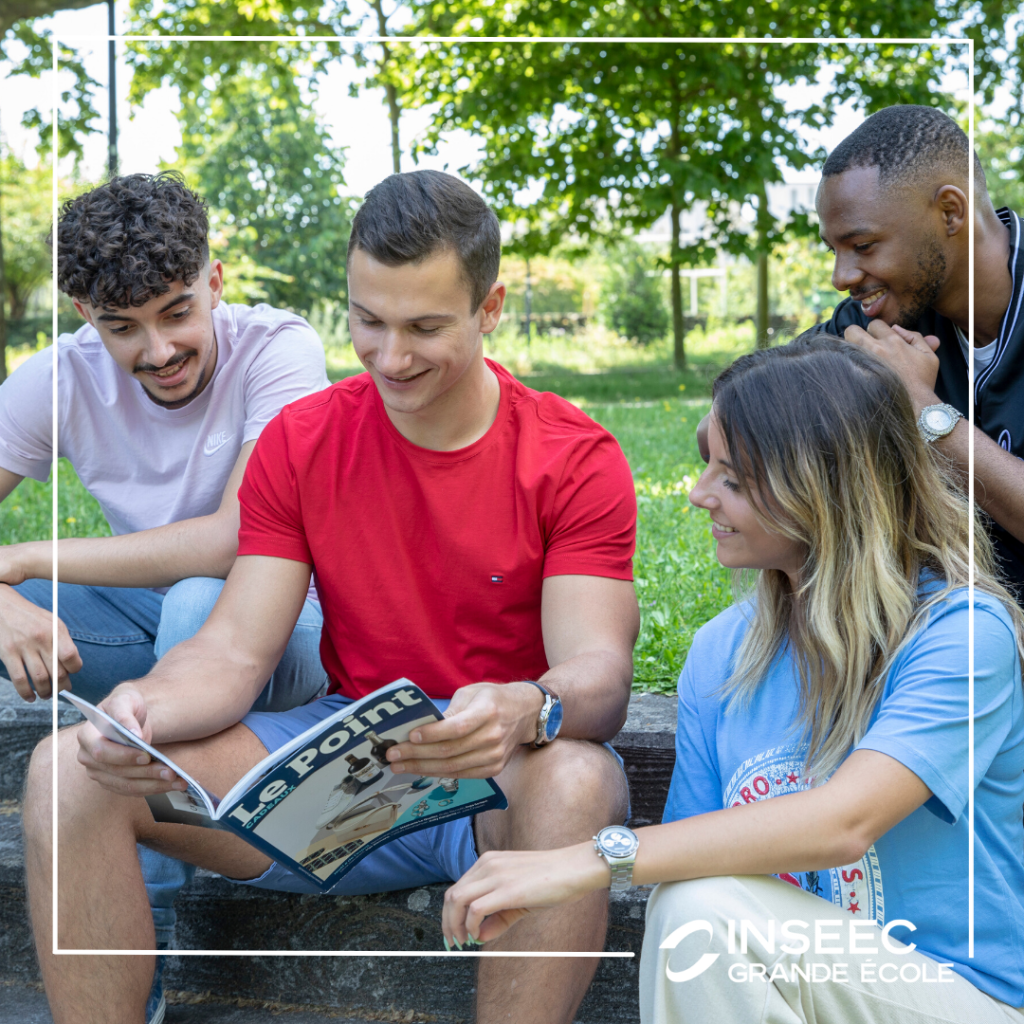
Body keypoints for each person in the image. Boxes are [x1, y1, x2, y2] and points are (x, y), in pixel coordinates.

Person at [23, 170, 639, 1024]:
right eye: (368, 322)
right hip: (349, 778)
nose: (392, 358)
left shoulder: (573, 456)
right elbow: (236, 648)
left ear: (490, 307)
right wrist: (145, 709)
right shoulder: (304, 441)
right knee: (69, 769)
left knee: (579, 777)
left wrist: (529, 706)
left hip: (501, 783)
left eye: (425, 327)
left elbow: (601, 676)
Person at [441, 336, 1024, 1024]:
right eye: (706, 466)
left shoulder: (961, 635)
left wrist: (582, 860)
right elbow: (697, 860)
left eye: (735, 480)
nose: (698, 495)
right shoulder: (725, 652)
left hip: (951, 996)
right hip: (790, 989)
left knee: (704, 916)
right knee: (693, 906)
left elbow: (847, 822)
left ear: (825, 488)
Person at [0, 172, 331, 1017]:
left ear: (215, 281)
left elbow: (237, 536)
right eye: (122, 327)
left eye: (177, 311)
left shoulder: (279, 348)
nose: (157, 350)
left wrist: (25, 554)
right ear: (82, 312)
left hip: (283, 628)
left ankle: (141, 893)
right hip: (152, 632)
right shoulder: (54, 378)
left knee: (195, 601)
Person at [814, 104, 1024, 600]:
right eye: (834, 250)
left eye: (863, 245)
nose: (841, 277)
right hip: (941, 639)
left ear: (950, 212)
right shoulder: (874, 323)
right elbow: (722, 427)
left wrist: (924, 410)